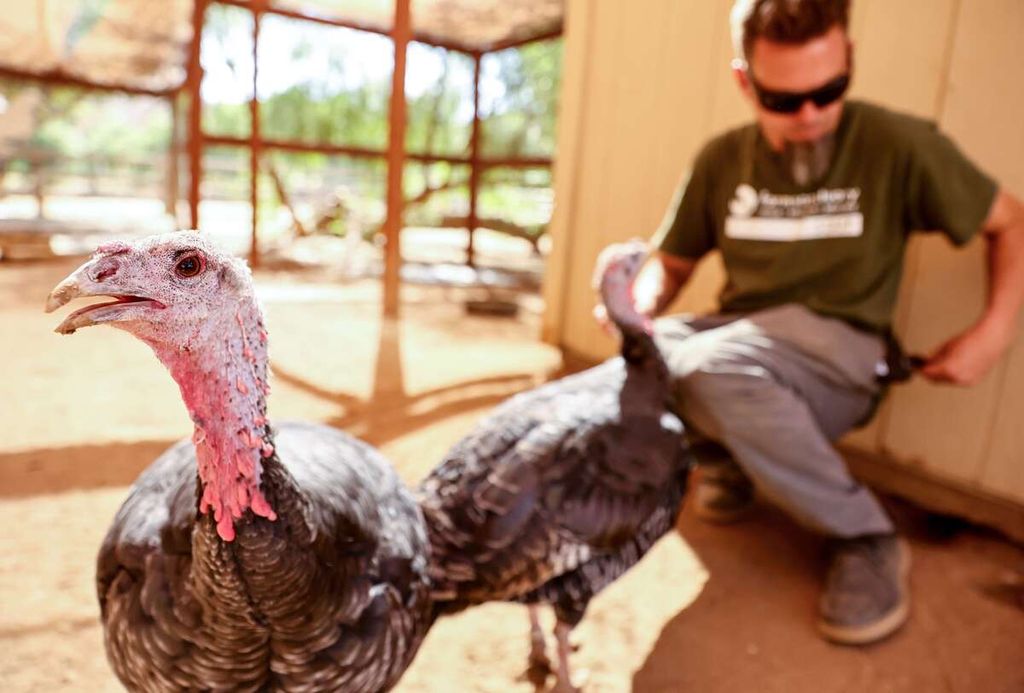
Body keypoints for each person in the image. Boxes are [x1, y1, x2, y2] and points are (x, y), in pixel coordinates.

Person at [599, 0, 1024, 645]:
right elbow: (670, 264)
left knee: (709, 366)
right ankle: (738, 465)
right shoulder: (722, 158)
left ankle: (866, 535)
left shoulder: (896, 143)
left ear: (848, 60)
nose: (811, 114)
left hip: (841, 351)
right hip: (745, 342)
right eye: (784, 99)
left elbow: (1011, 220)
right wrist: (636, 306)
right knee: (641, 362)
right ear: (745, 81)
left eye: (829, 91)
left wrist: (991, 333)